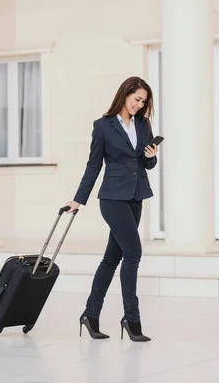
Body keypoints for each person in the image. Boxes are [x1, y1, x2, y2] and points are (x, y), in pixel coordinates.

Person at [63, 76, 158, 342]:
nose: (140, 105)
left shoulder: (143, 124)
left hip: (136, 196)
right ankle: (132, 318)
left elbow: (146, 165)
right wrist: (78, 199)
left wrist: (151, 157)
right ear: (125, 94)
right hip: (113, 199)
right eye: (137, 99)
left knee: (111, 259)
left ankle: (90, 315)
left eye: (144, 101)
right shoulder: (103, 126)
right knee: (133, 252)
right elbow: (94, 165)